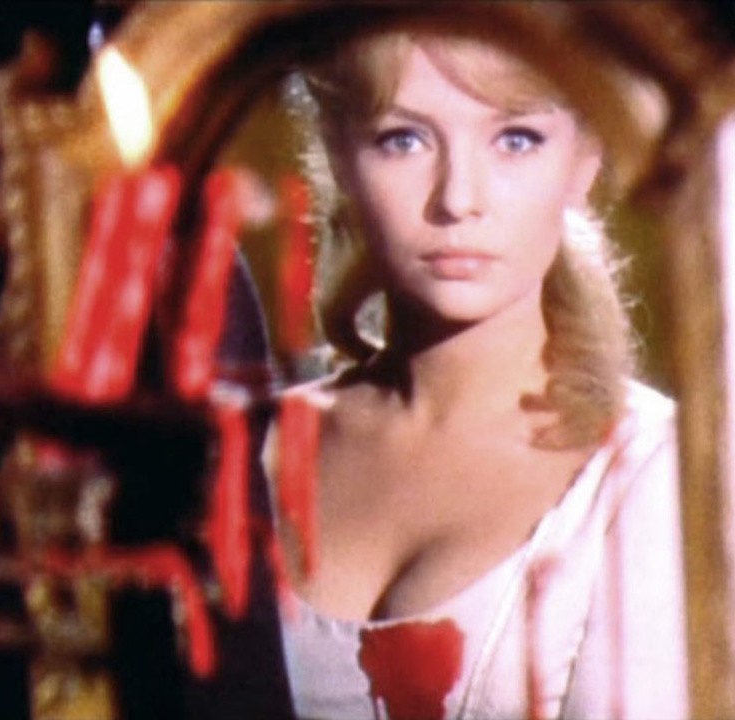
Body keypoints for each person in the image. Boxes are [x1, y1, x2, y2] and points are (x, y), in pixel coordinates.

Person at [267, 28, 686, 720]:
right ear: (339, 155)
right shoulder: (252, 446)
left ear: (584, 158)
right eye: (403, 139)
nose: (458, 199)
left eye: (516, 139)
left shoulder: (651, 471)